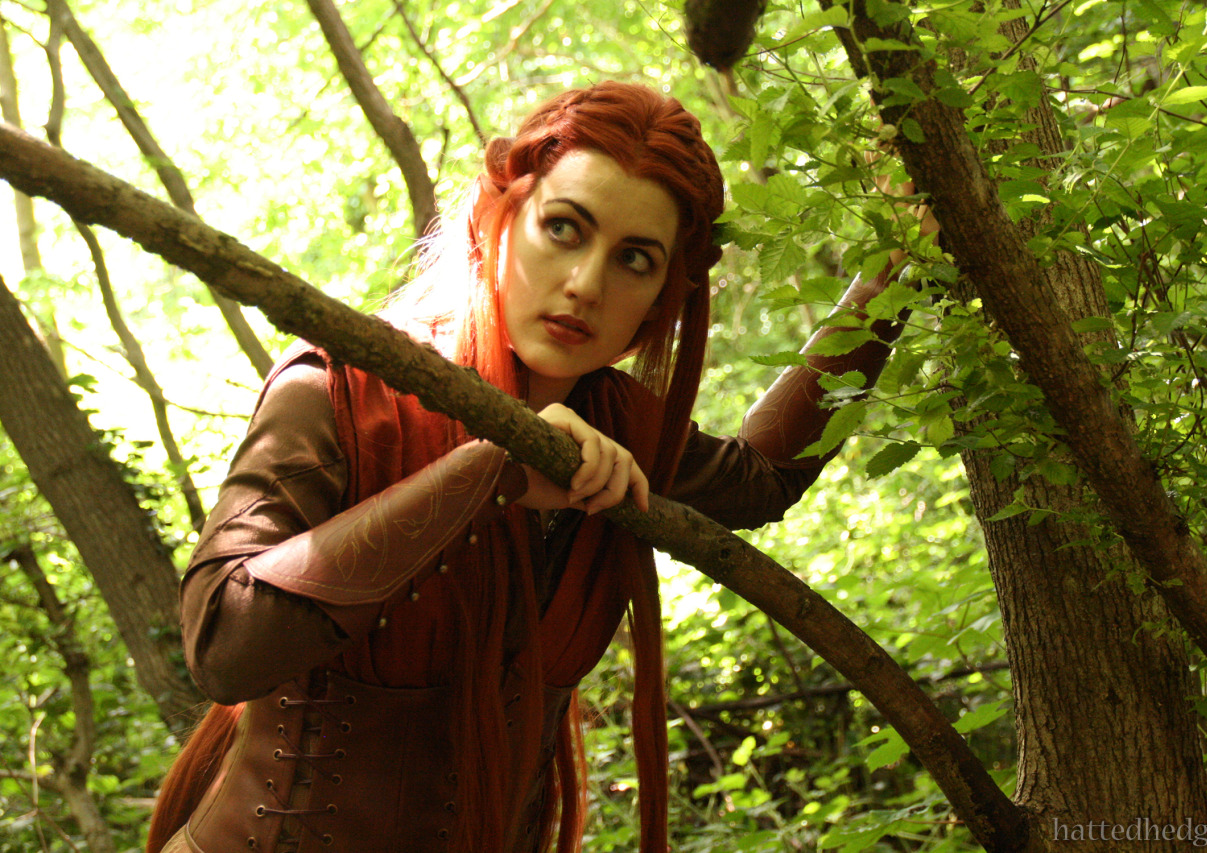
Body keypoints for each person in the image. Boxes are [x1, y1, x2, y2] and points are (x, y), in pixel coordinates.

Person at [147, 81, 916, 853]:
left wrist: (894, 263)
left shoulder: (620, 428)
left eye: (635, 258)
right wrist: (488, 474)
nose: (586, 283)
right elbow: (222, 647)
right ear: (501, 218)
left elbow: (764, 478)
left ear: (662, 297)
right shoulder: (340, 391)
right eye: (563, 228)